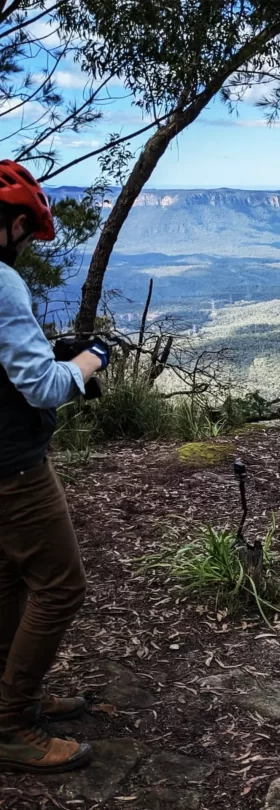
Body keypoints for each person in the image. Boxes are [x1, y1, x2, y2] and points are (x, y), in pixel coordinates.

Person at [0, 160, 110, 773]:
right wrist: (89, 361)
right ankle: (13, 726)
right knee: (62, 587)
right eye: (24, 230)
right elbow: (42, 388)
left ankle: (11, 701)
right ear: (14, 225)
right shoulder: (1, 283)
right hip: (12, 466)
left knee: (7, 582)